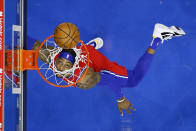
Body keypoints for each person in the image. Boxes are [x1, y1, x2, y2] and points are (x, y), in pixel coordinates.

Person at [32, 23, 185, 116]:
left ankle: (157, 38)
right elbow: (37, 48)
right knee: (39, 50)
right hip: (82, 53)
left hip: (99, 66)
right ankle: (88, 47)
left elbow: (111, 80)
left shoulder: (84, 77)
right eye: (60, 63)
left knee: (133, 80)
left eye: (65, 65)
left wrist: (121, 99)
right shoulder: (53, 59)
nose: (59, 67)